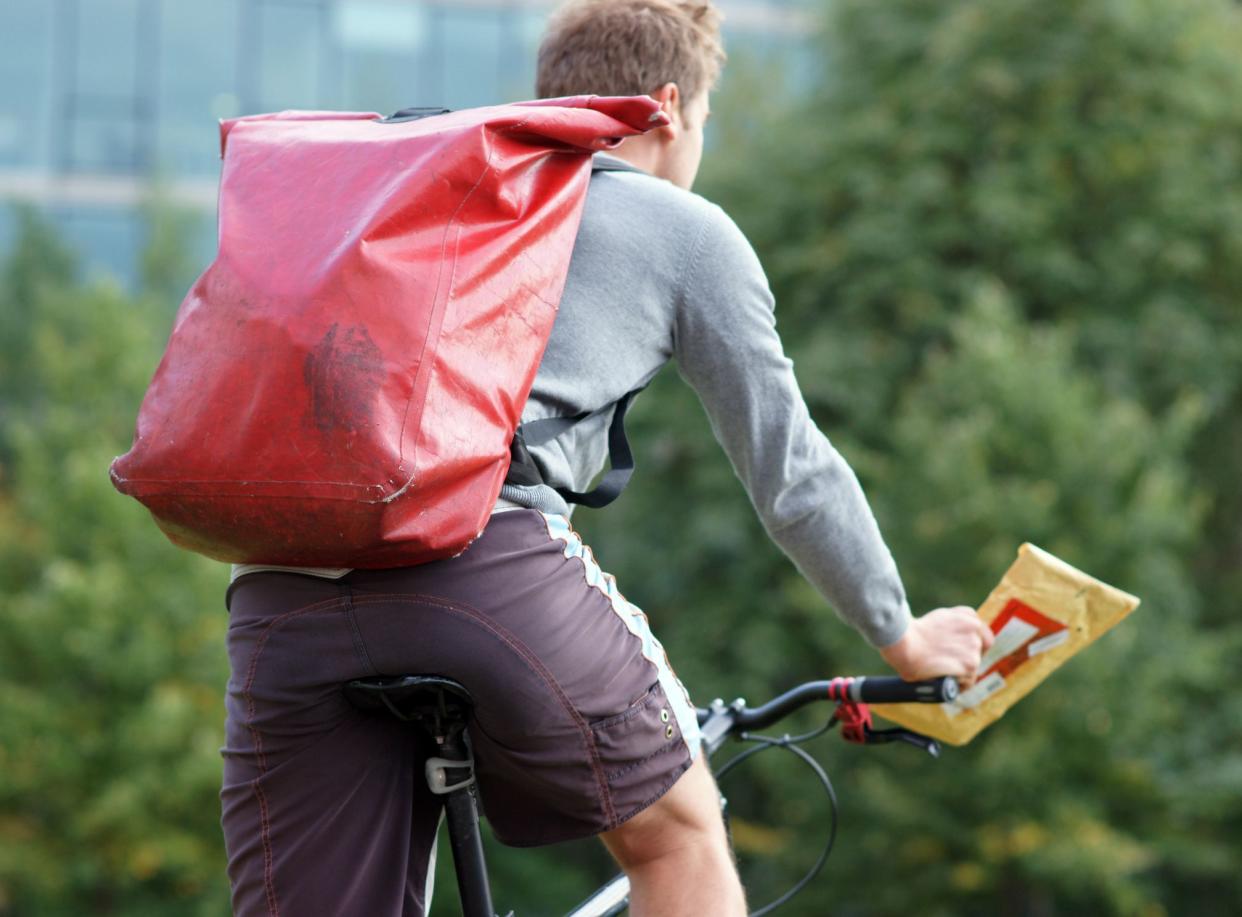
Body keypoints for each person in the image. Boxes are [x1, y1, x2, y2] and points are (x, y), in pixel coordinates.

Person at [220, 2, 994, 915]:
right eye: (705, 120)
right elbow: (792, 470)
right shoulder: (682, 227)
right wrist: (901, 635)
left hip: (280, 587)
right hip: (479, 566)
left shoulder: (434, 193)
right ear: (668, 107)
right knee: (679, 840)